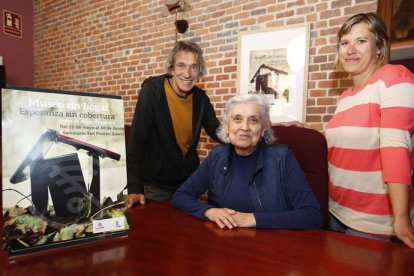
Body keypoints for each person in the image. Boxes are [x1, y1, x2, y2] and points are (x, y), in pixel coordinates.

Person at [326, 12, 414, 248]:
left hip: (373, 223)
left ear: (380, 46)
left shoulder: (395, 77)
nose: (350, 49)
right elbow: (345, 144)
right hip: (335, 211)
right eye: (344, 43)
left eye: (361, 41)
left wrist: (401, 217)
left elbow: (396, 146)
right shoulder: (345, 96)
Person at [172, 94, 323, 230]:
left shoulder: (282, 157)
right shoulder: (218, 155)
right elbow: (181, 196)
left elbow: (312, 216)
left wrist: (252, 219)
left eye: (253, 120)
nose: (244, 127)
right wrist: (209, 211)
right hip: (224, 244)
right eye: (237, 119)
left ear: (263, 130)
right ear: (227, 126)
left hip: (271, 249)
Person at [127, 40, 221, 207]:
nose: (187, 73)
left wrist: (243, 135)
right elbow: (136, 141)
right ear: (171, 68)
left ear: (199, 71)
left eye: (194, 66)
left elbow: (216, 130)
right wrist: (134, 186)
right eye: (181, 66)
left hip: (188, 185)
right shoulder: (152, 90)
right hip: (156, 186)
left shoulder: (201, 97)